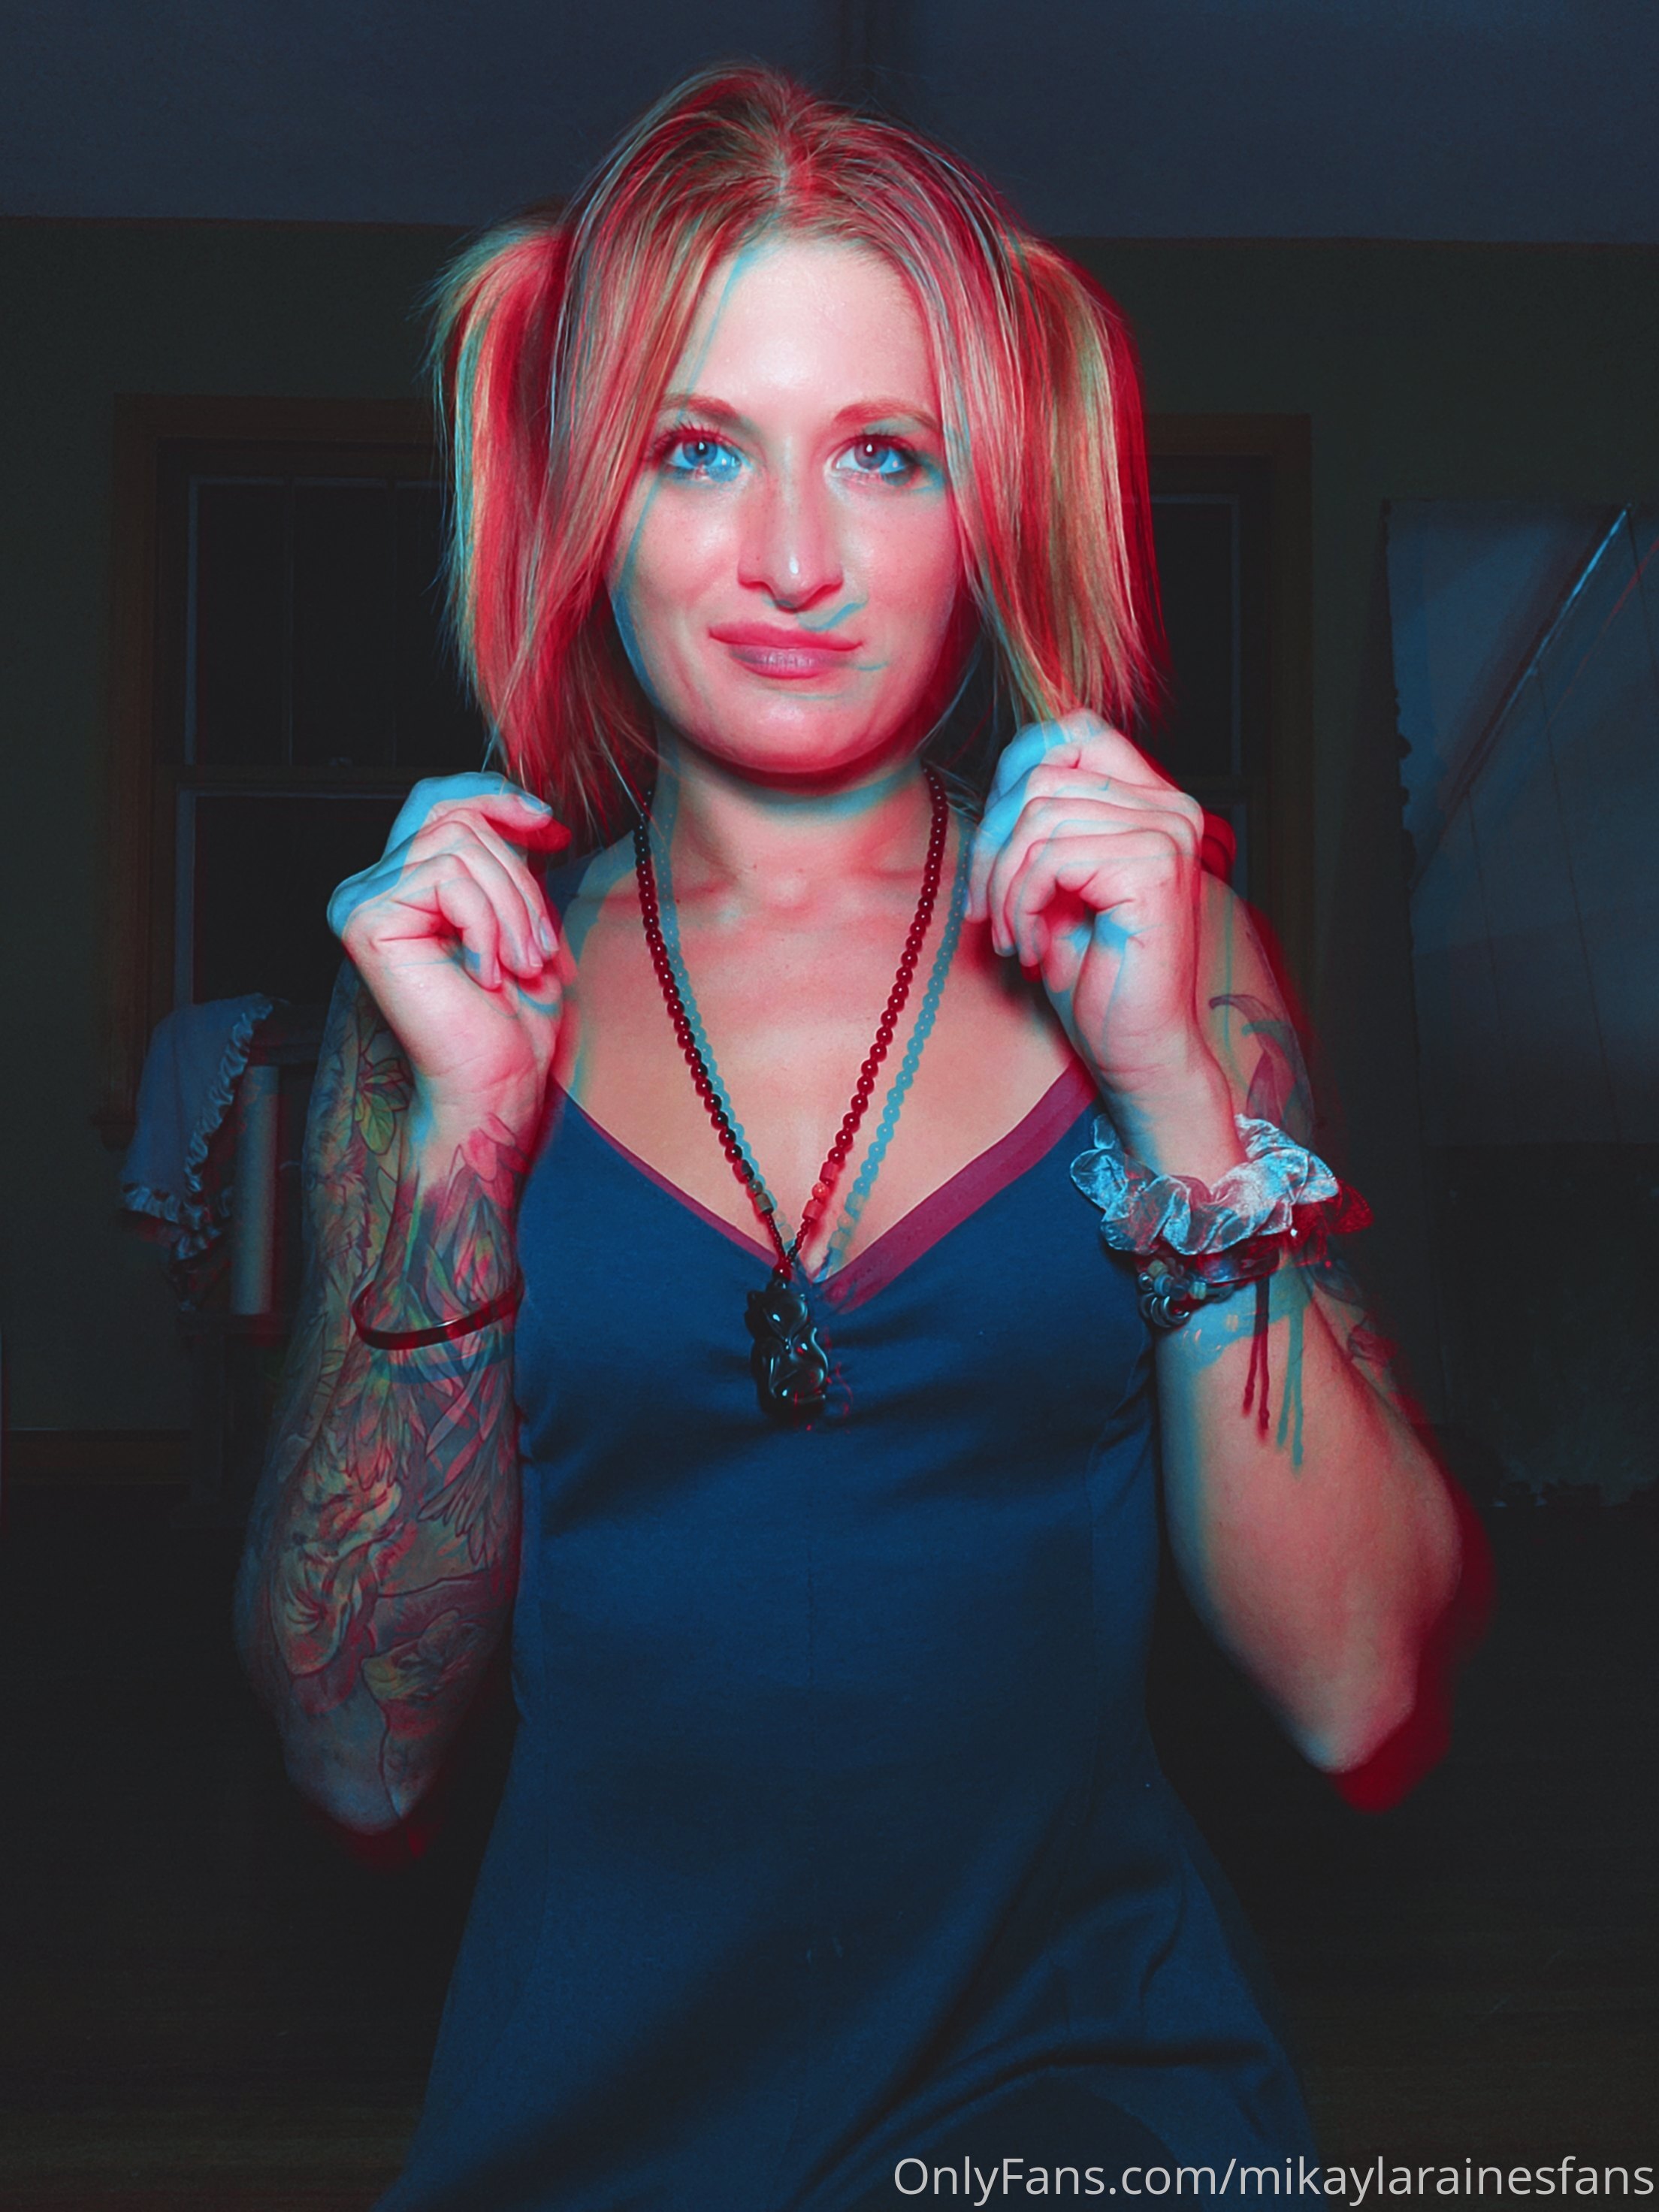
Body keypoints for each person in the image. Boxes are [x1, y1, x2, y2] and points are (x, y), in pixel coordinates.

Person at [234, 63, 1469, 2212]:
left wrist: (1174, 1096)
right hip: (592, 2093)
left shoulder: (1170, 958)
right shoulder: (436, 1004)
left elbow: (1360, 1690)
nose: (794, 561)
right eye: (699, 450)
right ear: (587, 499)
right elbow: (356, 1750)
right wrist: (462, 1162)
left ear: (985, 505)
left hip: (1090, 2088)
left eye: (885, 454)